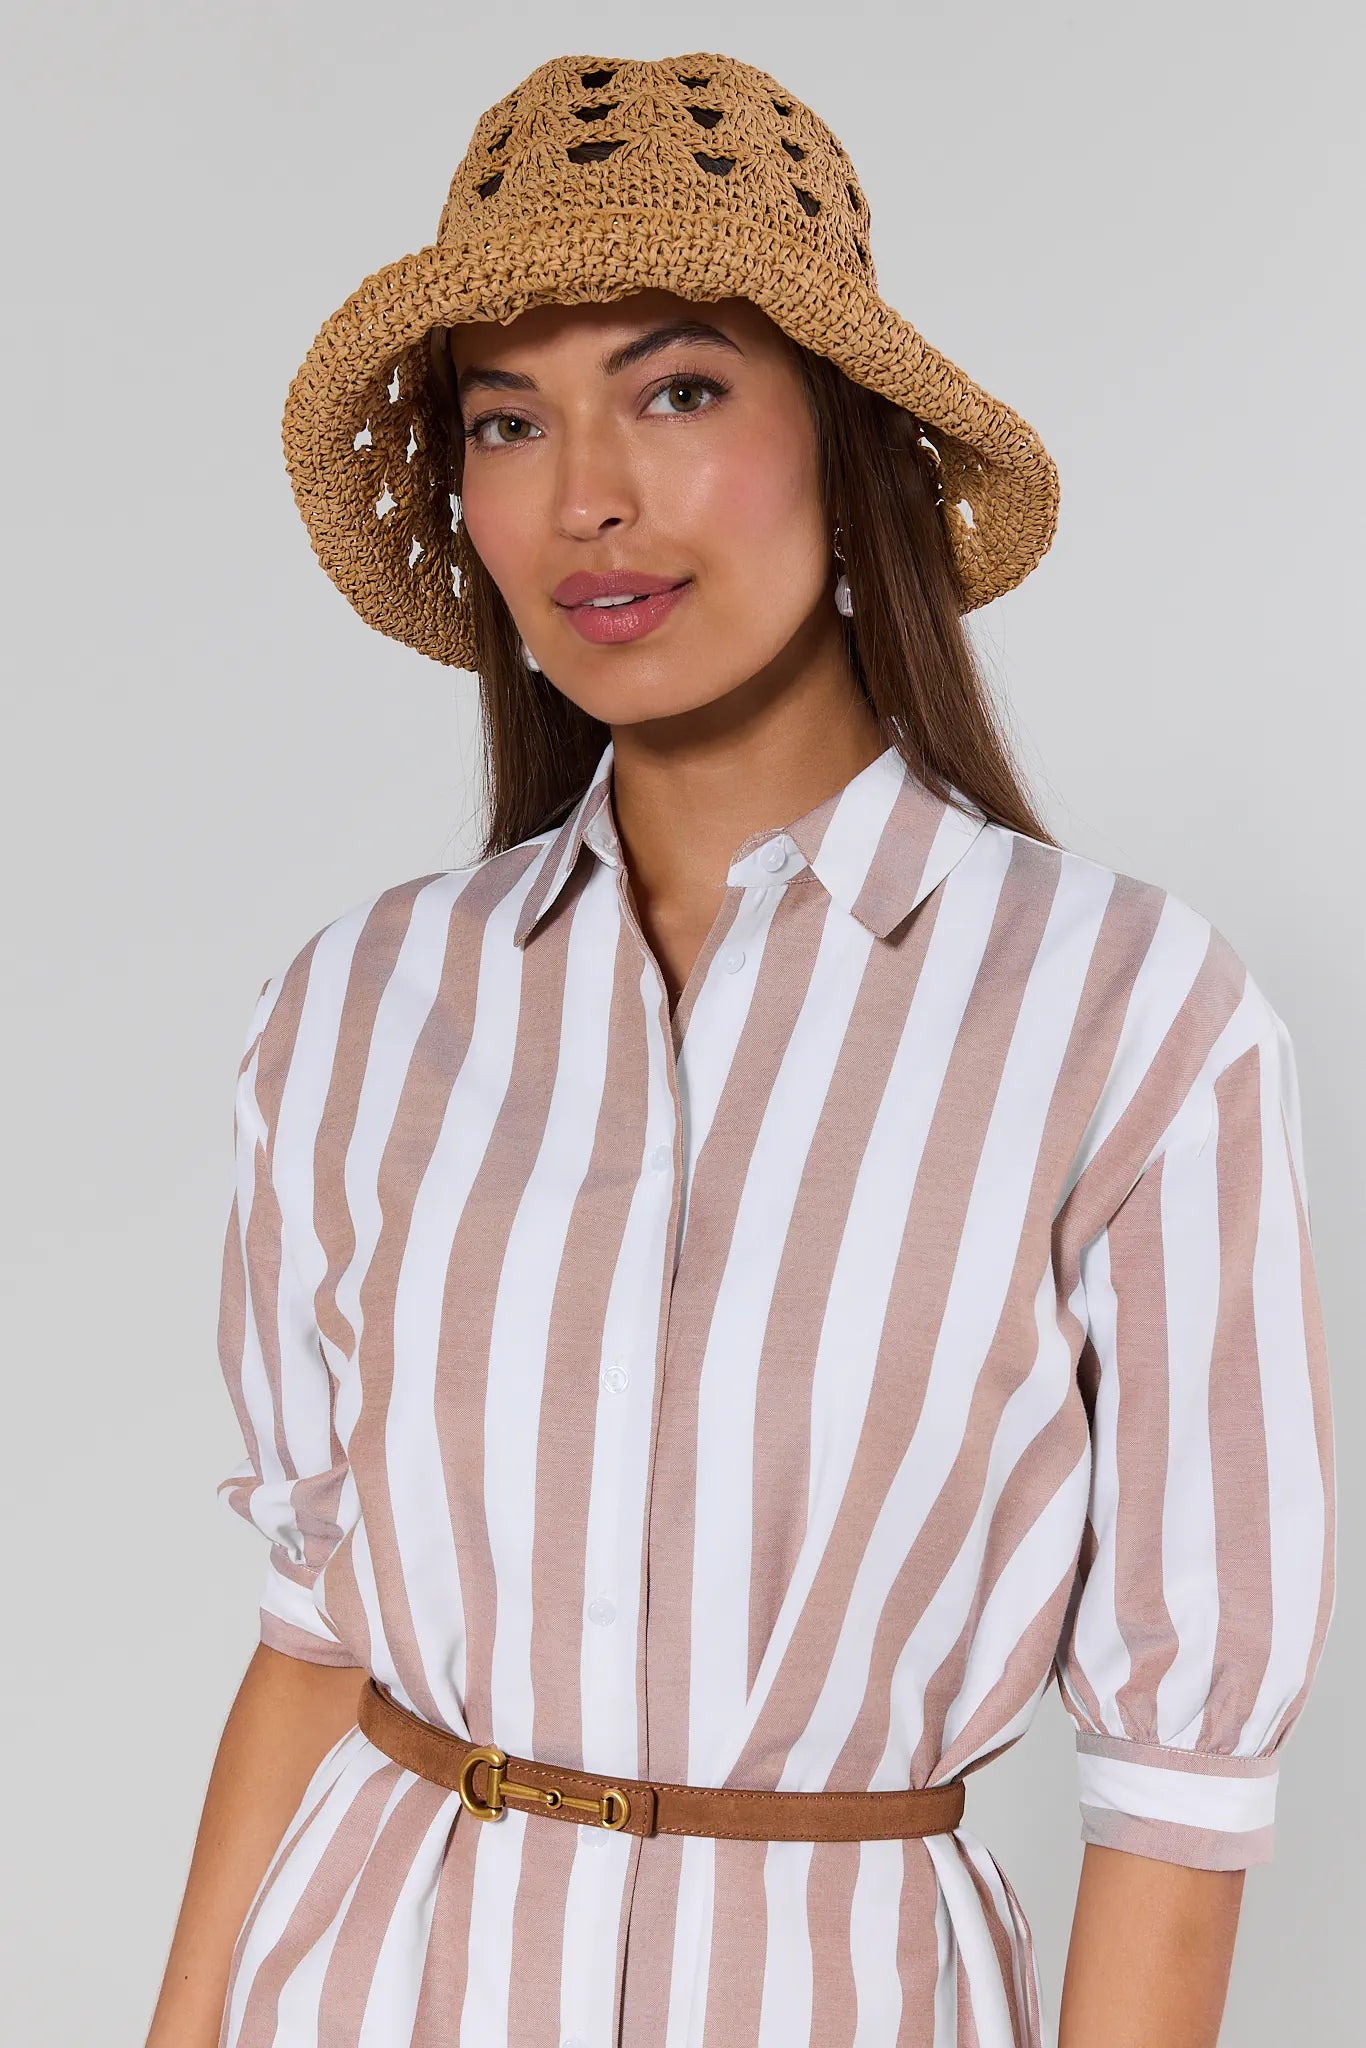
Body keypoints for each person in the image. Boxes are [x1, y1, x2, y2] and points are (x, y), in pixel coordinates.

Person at [146, 50, 1336, 2048]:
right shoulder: (356, 1010)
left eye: (677, 389)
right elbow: (313, 1636)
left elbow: (1176, 1791)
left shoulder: (1124, 1014)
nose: (584, 495)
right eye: (506, 419)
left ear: (845, 444)